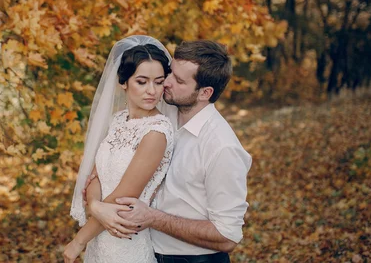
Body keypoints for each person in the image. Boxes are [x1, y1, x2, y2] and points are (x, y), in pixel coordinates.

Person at [87, 40, 252, 263]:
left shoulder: (222, 147)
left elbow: (227, 236)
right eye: (170, 73)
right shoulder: (160, 116)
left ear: (205, 92)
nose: (166, 83)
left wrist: (154, 218)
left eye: (179, 80)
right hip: (143, 251)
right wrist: (96, 204)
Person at [65, 35, 178, 263]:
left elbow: (124, 198)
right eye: (142, 81)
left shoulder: (157, 131)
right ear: (123, 82)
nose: (152, 91)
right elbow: (96, 177)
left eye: (158, 81)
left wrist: (78, 241)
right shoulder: (118, 120)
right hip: (100, 236)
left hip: (125, 240)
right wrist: (95, 206)